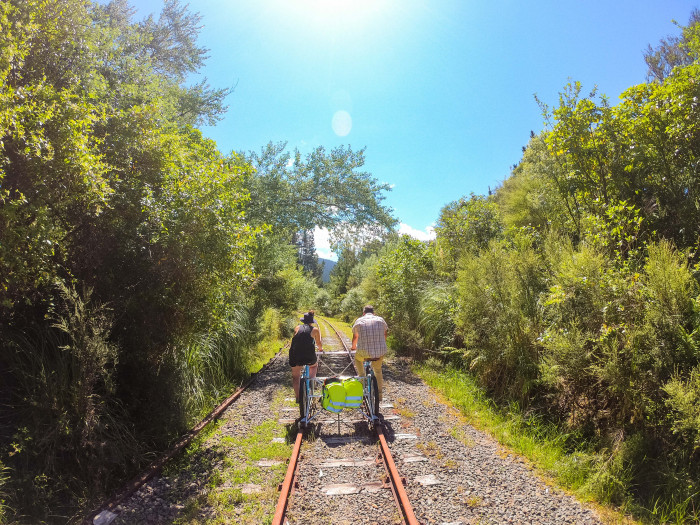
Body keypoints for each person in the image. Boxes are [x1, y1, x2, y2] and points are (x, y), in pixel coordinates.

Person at [350, 305, 388, 401]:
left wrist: (353, 347)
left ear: (363, 313)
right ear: (373, 313)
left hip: (364, 353)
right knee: (378, 371)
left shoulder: (359, 321)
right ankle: (379, 396)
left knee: (358, 360)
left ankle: (362, 378)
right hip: (380, 352)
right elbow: (385, 335)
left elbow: (355, 337)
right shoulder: (380, 320)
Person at [290, 310, 323, 403]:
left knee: (296, 377)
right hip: (309, 356)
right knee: (314, 366)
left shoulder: (297, 328)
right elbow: (319, 343)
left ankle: (298, 398)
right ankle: (311, 385)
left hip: (295, 355)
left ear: (303, 321)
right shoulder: (315, 330)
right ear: (312, 321)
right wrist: (320, 349)